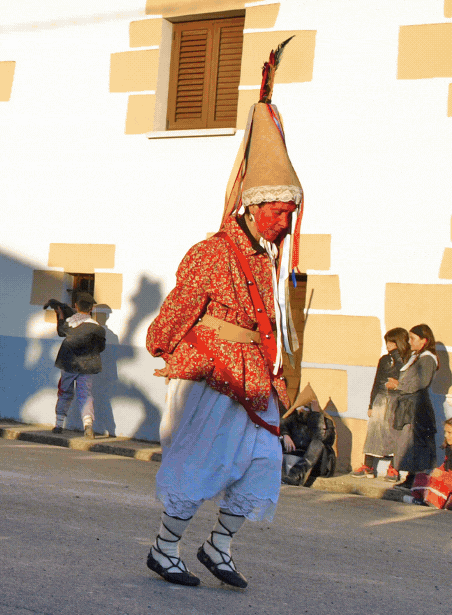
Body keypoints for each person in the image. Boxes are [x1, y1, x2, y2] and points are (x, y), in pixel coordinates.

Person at [144, 39, 302, 590]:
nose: (285, 223)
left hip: (255, 378)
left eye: (290, 214)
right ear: (255, 207)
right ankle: (165, 550)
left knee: (261, 465)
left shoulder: (266, 260)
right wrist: (164, 344)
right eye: (280, 212)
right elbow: (175, 314)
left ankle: (219, 546)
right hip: (211, 375)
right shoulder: (212, 251)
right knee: (202, 464)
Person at [387, 324, 440, 490]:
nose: (409, 342)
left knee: (415, 442)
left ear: (424, 340)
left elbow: (420, 382)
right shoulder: (416, 357)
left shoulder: (428, 359)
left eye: (412, 339)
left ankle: (415, 480)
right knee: (408, 441)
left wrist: (398, 385)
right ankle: (411, 477)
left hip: (417, 406)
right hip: (410, 404)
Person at [353, 328, 408, 479]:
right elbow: (377, 382)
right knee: (374, 431)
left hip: (397, 400)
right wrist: (371, 405)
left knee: (394, 433)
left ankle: (394, 468)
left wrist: (397, 355)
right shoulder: (384, 359)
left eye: (391, 342)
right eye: (387, 342)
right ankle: (368, 466)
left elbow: (405, 377)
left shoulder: (407, 359)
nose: (388, 345)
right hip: (381, 398)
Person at [50, 292, 106, 439]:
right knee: (85, 395)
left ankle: (58, 425)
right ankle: (88, 426)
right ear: (91, 308)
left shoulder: (69, 324)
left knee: (64, 392)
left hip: (68, 364)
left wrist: (60, 314)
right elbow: (101, 348)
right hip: (87, 367)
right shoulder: (98, 328)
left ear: (76, 306)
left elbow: (61, 331)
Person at [279, 388, 336, 487]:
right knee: (277, 440)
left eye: (308, 407)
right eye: (303, 407)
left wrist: (316, 416)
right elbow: (282, 424)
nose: (304, 410)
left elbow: (320, 437)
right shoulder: (295, 417)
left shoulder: (326, 421)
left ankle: (295, 475)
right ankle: (281, 475)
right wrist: (285, 435)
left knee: (317, 444)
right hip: (295, 457)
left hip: (316, 463)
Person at [409, 418, 452, 508]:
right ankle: (421, 499)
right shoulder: (449, 448)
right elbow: (445, 465)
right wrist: (437, 471)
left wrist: (443, 475)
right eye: (445, 432)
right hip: (446, 479)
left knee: (441, 482)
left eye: (449, 433)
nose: (445, 435)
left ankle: (434, 503)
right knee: (421, 477)